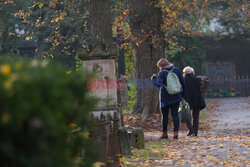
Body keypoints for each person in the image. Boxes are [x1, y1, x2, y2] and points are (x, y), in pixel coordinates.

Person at [151, 58, 186, 139]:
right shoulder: (176, 70)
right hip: (176, 96)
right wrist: (183, 95)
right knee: (175, 115)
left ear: (161, 66)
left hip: (165, 97)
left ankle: (165, 134)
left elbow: (157, 85)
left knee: (165, 116)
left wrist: (153, 78)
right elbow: (183, 82)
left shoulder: (162, 73)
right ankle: (176, 134)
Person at [183, 66, 206, 136]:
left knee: (187, 116)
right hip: (197, 100)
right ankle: (195, 132)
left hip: (187, 100)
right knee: (196, 117)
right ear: (192, 72)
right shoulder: (197, 79)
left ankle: (190, 129)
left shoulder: (183, 79)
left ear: (184, 72)